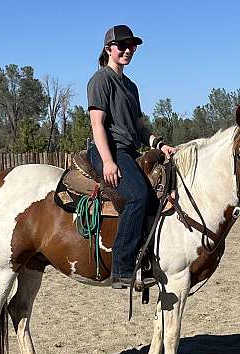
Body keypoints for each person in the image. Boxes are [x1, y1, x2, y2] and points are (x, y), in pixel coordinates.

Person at [87, 24, 176, 289]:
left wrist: (159, 145)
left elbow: (139, 126)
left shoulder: (130, 86)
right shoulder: (101, 80)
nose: (128, 50)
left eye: (132, 46)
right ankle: (122, 267)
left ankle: (147, 258)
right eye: (122, 46)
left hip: (128, 150)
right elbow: (97, 124)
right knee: (138, 195)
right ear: (108, 49)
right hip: (109, 149)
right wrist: (108, 161)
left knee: (160, 193)